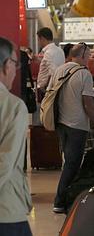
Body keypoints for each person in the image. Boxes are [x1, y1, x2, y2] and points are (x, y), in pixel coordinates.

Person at [51, 43, 94, 213]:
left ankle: (69, 198)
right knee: (73, 164)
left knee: (69, 162)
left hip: (61, 123)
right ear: (82, 56)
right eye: (89, 55)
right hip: (77, 125)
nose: (90, 59)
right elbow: (89, 104)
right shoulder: (84, 74)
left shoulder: (60, 70)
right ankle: (60, 201)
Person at [0, 38, 33, 236]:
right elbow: (5, 161)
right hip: (6, 211)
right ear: (5, 66)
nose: (15, 69)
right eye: (14, 63)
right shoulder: (12, 106)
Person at [36, 27, 65, 96]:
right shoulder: (60, 50)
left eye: (38, 40)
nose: (39, 42)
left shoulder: (48, 52)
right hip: (59, 86)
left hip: (48, 89)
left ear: (42, 38)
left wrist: (44, 87)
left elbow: (53, 72)